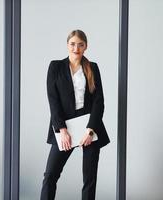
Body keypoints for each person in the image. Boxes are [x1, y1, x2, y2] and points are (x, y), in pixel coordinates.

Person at [40, 29, 110, 200]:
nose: (76, 48)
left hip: (89, 128)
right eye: (72, 44)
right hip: (65, 127)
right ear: (67, 45)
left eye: (80, 44)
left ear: (86, 47)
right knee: (50, 175)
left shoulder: (92, 67)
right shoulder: (55, 67)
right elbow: (53, 100)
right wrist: (62, 129)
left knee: (89, 179)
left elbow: (99, 102)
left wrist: (90, 130)